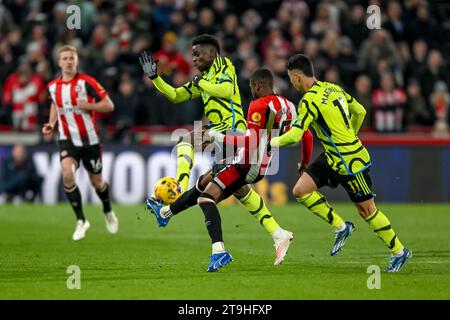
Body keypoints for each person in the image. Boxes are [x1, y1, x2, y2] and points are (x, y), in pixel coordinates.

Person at [140, 35, 312, 264]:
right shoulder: (202, 78)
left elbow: (224, 90)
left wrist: (201, 83)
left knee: (187, 145)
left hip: (233, 132)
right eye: (192, 54)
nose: (193, 59)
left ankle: (178, 186)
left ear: (211, 53)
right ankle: (277, 232)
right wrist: (155, 77)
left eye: (197, 54)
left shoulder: (224, 66)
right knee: (227, 188)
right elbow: (175, 95)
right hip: (220, 134)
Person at [270, 54, 412, 272]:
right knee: (301, 190)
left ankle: (399, 251)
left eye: (291, 78)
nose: (291, 83)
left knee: (367, 211)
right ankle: (341, 226)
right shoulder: (333, 88)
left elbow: (295, 136)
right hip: (333, 156)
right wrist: (350, 134)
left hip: (350, 163)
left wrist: (270, 141)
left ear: (298, 77)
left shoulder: (309, 100)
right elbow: (360, 111)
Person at [42, 45, 118, 241]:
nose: (68, 61)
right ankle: (81, 220)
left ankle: (108, 210)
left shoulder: (87, 82)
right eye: (65, 58)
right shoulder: (52, 87)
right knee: (67, 174)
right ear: (59, 62)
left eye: (71, 58)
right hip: (67, 139)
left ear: (76, 61)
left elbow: (109, 105)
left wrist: (89, 105)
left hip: (90, 141)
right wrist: (51, 123)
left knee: (97, 182)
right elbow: (55, 103)